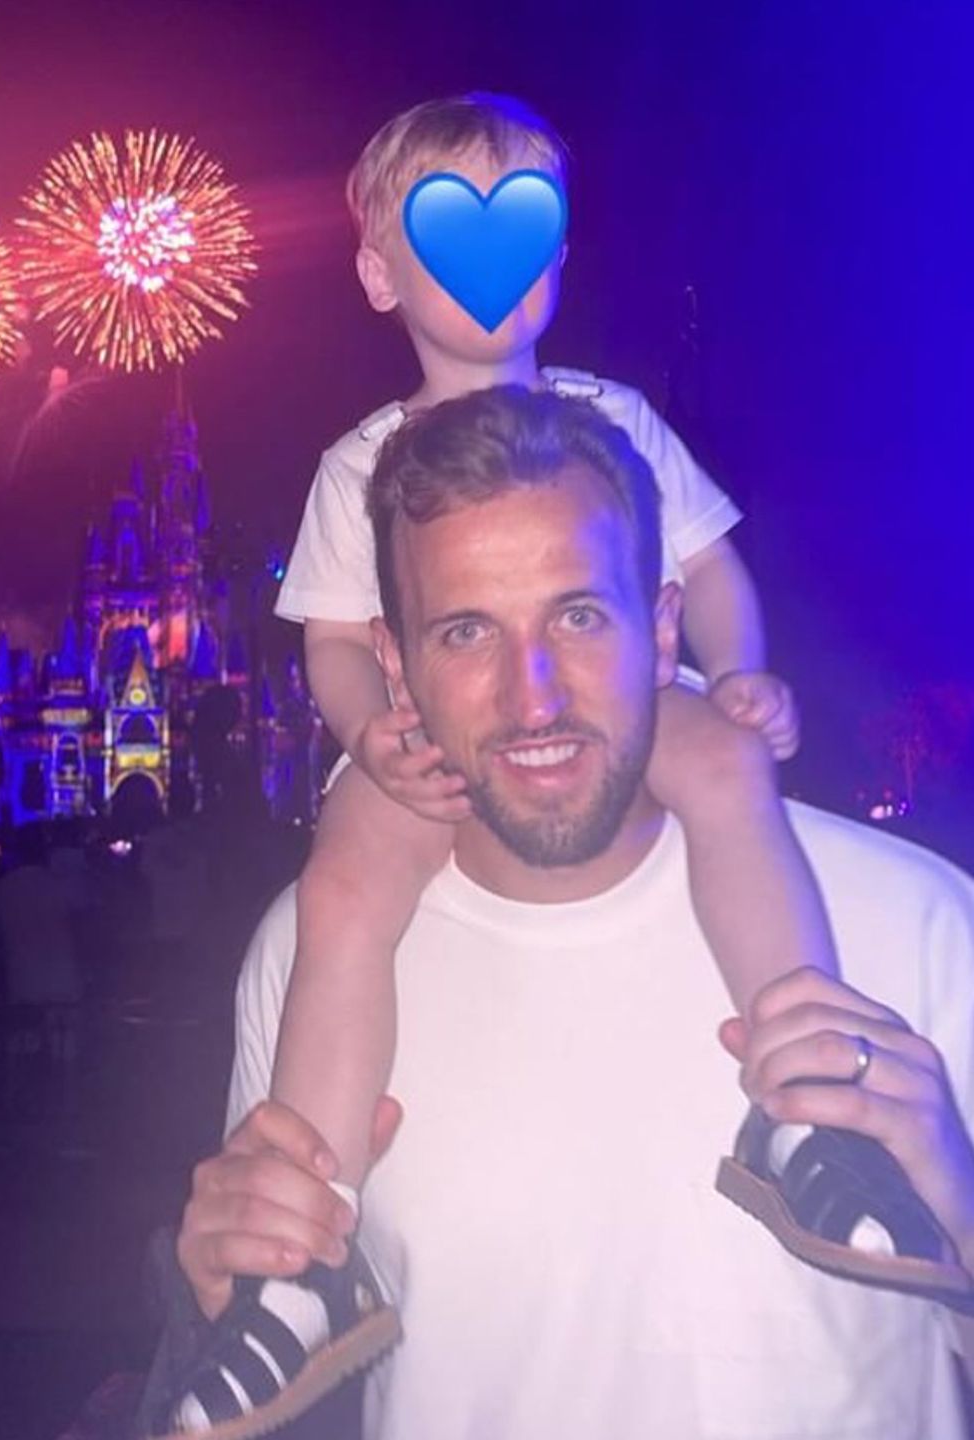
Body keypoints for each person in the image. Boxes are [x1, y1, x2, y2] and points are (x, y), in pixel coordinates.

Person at [166, 91, 844, 1429]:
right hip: (432, 752)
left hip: (643, 713)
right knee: (345, 892)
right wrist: (378, 735)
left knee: (725, 779)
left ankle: (813, 1106)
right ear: (377, 273)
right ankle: (305, 1245)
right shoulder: (359, 464)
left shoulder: (618, 416)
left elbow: (709, 571)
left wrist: (743, 668)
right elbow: (334, 649)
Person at [142, 387, 974, 1440]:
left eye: (578, 615)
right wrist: (216, 1295)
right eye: (464, 632)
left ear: (663, 625)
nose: (532, 696)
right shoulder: (310, 953)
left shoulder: (926, 924)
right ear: (394, 671)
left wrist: (961, 1203)